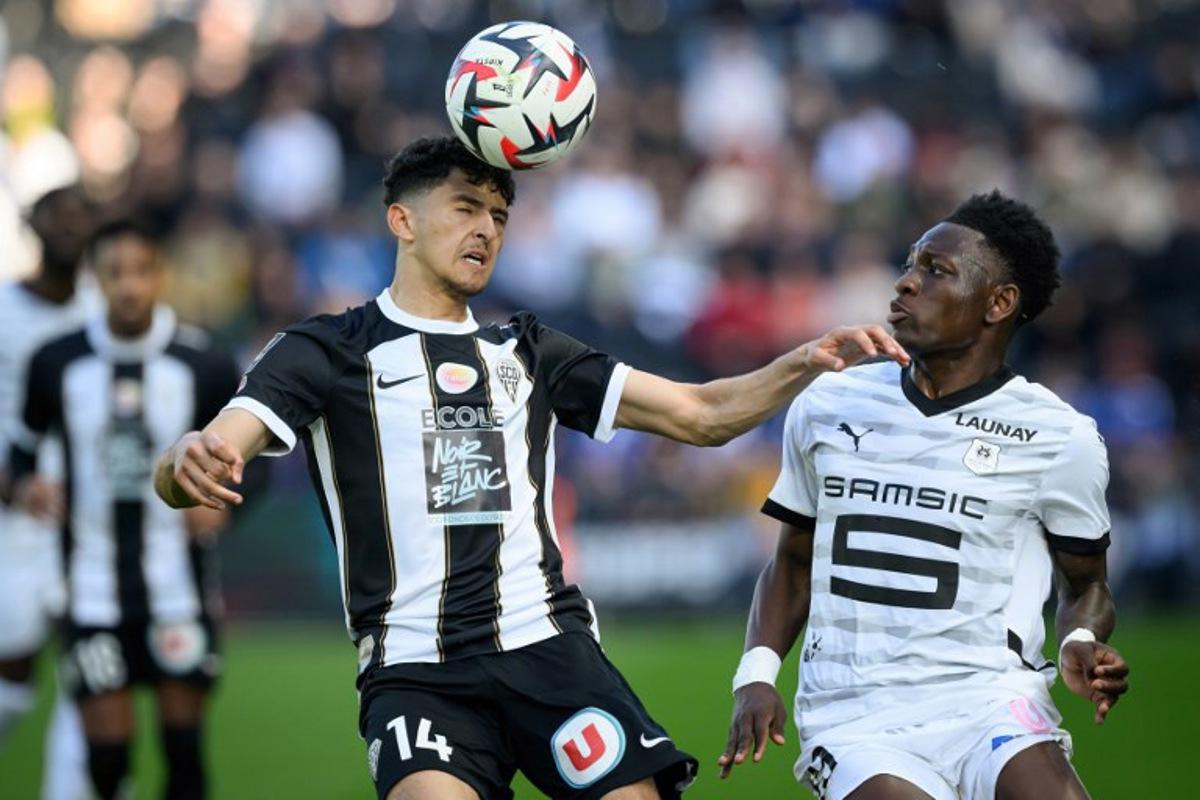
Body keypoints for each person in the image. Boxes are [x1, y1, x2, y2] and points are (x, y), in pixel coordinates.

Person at [152, 136, 909, 800]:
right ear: (402, 220)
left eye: (499, 216)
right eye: (464, 208)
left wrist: (804, 362)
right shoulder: (326, 349)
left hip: (545, 649)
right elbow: (219, 445)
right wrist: (189, 456)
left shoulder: (528, 350)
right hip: (416, 669)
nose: (485, 229)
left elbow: (700, 414)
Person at [718, 190, 1130, 800]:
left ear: (999, 303)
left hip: (989, 697)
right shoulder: (830, 402)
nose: (906, 283)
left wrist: (1077, 641)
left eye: (936, 271)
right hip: (853, 710)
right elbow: (793, 563)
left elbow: (1086, 584)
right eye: (911, 263)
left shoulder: (1058, 437)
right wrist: (755, 676)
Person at [9, 220, 238, 800]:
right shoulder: (56, 362)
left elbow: (247, 459)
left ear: (160, 275)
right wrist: (23, 489)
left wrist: (225, 510)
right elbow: (18, 452)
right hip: (91, 590)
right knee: (106, 761)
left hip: (180, 589)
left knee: (184, 757)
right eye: (116, 274)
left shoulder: (203, 363)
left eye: (141, 272)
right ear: (96, 280)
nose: (130, 287)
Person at [0, 185, 98, 800]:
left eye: (80, 218)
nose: (68, 228)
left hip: (88, 521)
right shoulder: (3, 311)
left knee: (90, 670)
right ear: (31, 225)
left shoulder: (104, 312)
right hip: (12, 519)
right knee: (12, 668)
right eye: (56, 217)